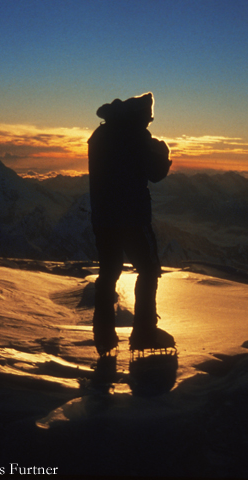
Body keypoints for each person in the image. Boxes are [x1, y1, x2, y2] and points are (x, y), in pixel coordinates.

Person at [88, 92, 175, 355]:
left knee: (108, 273)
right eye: (148, 119)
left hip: (103, 216)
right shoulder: (134, 136)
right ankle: (144, 333)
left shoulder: (100, 135)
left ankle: (103, 335)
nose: (149, 123)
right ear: (140, 116)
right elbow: (155, 173)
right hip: (133, 217)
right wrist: (162, 151)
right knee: (149, 269)